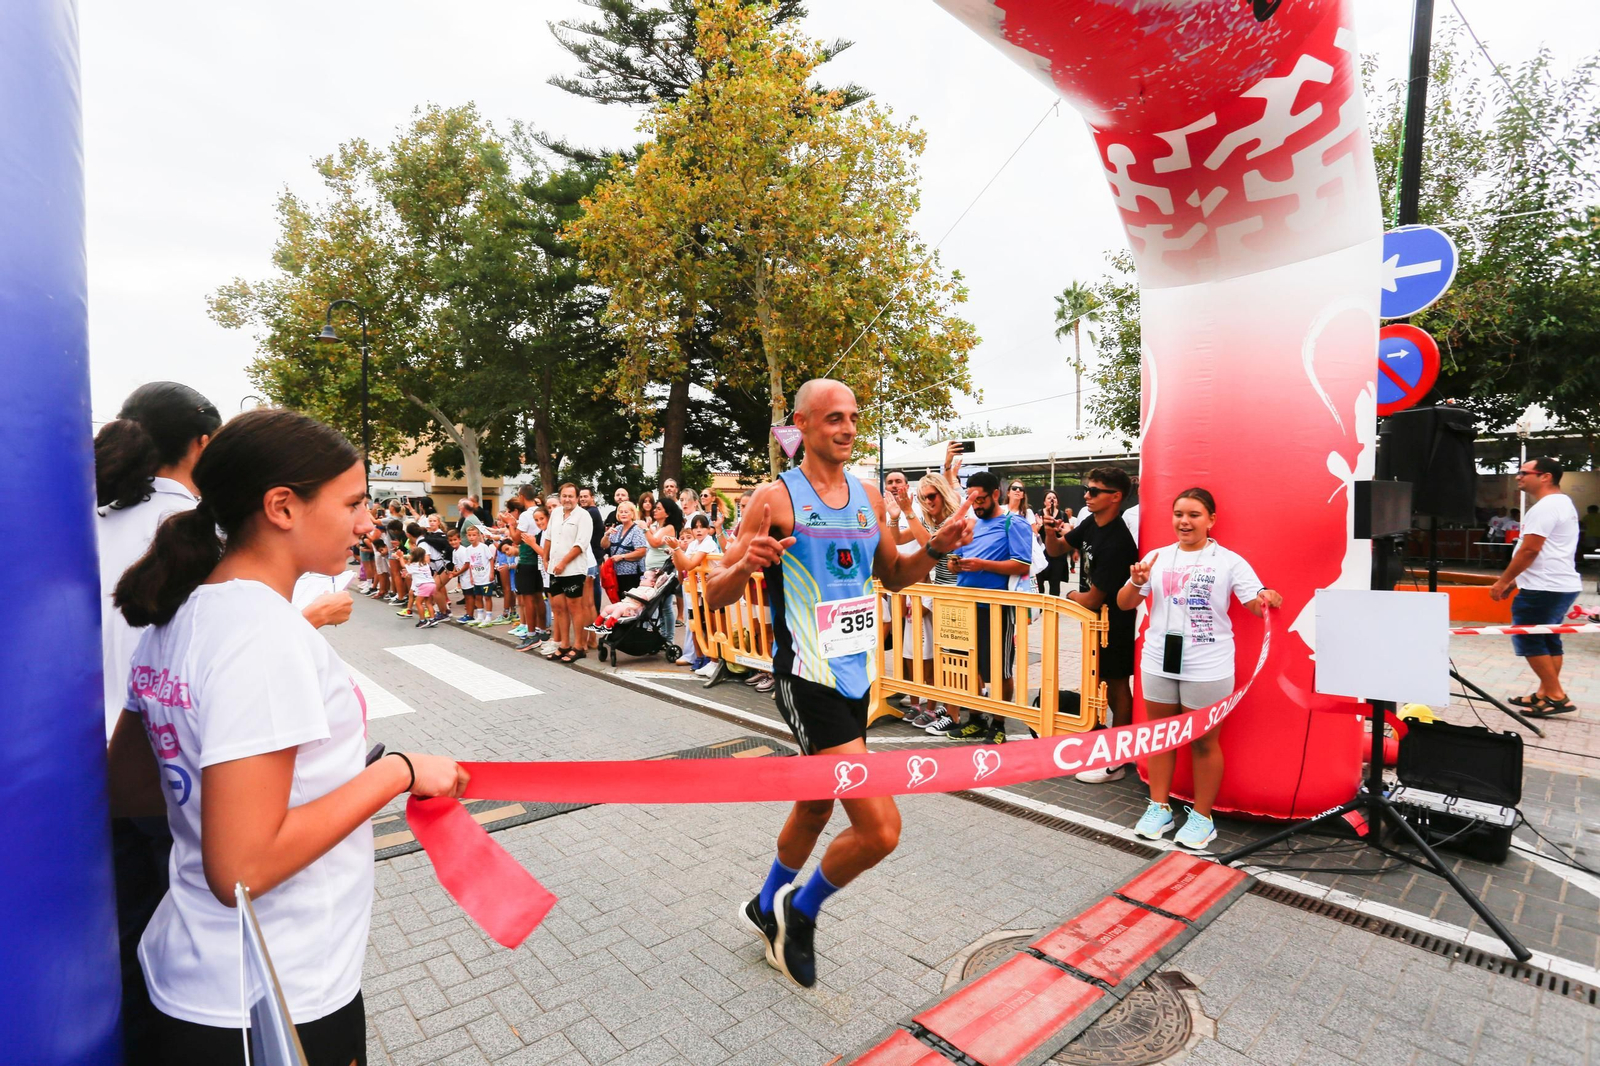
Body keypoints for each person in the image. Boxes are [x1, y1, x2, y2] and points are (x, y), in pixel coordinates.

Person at [104, 408, 468, 1065]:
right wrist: (397, 772)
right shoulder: (265, 637)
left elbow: (128, 785)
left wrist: (240, 805)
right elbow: (241, 869)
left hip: (194, 978)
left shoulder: (177, 613)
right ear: (282, 506)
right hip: (273, 997)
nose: (368, 522)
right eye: (354, 502)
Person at [706, 378, 972, 989]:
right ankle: (800, 911)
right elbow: (716, 590)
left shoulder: (869, 495)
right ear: (801, 424)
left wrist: (936, 545)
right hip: (807, 677)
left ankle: (764, 900)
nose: (848, 428)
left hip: (856, 675)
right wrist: (745, 564)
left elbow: (898, 575)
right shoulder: (775, 500)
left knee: (818, 798)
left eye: (853, 417)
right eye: (833, 419)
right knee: (881, 828)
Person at [93, 381, 223, 1062]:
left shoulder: (84, 521)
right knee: (182, 929)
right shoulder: (195, 533)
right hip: (169, 764)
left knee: (117, 928)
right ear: (201, 444)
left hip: (85, 762)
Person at [1117, 488, 1281, 848]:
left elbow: (1255, 602)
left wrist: (1267, 598)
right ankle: (1159, 807)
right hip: (1157, 660)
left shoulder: (1228, 561)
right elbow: (1125, 602)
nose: (1184, 522)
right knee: (1161, 737)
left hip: (1208, 665)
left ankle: (1202, 818)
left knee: (1204, 743)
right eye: (1178, 514)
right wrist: (1136, 582)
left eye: (1193, 515)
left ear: (1211, 520)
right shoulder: (1157, 557)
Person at [1048, 466, 1140, 783]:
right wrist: (1049, 527)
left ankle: (1119, 753)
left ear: (1115, 497)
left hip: (1115, 620)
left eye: (1094, 490)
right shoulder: (1091, 522)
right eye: (1087, 488)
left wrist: (1069, 593)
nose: (1086, 494)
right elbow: (1056, 549)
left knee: (1115, 684)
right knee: (1097, 680)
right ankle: (1099, 740)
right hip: (1094, 621)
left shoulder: (1118, 542)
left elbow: (1091, 599)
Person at [931, 471, 1032, 744]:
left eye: (981, 499)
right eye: (971, 499)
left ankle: (998, 725)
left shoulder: (1014, 523)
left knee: (1000, 670)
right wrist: (955, 563)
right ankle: (974, 719)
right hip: (965, 607)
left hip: (997, 608)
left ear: (996, 494)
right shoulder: (970, 524)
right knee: (966, 667)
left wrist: (983, 565)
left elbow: (1022, 564)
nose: (976, 504)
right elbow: (958, 557)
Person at [1491, 457, 1583, 716]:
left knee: (1530, 639)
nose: (1519, 477)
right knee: (1548, 640)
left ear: (1546, 477)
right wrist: (1519, 580)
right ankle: (1545, 692)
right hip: (1558, 583)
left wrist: (1504, 580)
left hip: (1545, 587)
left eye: (1524, 472)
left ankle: (1556, 695)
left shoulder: (1545, 507)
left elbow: (1530, 550)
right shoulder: (1562, 503)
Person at [897, 473, 961, 728]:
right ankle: (946, 709)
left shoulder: (952, 519)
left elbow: (932, 546)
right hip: (940, 592)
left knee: (952, 656)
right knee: (944, 653)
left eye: (931, 496)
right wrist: (893, 517)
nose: (927, 501)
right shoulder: (930, 520)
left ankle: (953, 713)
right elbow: (897, 539)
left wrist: (909, 512)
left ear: (943, 494)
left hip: (957, 593)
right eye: (923, 498)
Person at [545, 484, 595, 663]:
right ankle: (564, 644)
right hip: (554, 569)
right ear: (560, 497)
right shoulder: (556, 513)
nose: (567, 499)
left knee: (575, 608)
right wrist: (545, 559)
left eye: (571, 496)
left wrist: (563, 562)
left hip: (573, 569)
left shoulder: (584, 516)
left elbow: (580, 545)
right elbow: (549, 538)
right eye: (564, 496)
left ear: (576, 498)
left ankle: (579, 646)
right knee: (558, 607)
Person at [579, 487, 607, 640]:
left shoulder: (591, 512)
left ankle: (595, 624)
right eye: (581, 496)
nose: (582, 499)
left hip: (593, 556)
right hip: (593, 555)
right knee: (592, 592)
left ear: (592, 497)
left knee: (592, 595)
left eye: (585, 496)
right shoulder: (589, 511)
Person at [607, 502, 650, 599]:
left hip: (632, 574)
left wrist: (622, 556)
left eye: (626, 512)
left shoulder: (637, 530)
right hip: (617, 573)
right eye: (621, 512)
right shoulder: (617, 529)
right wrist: (606, 535)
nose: (623, 514)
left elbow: (642, 551)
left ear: (632, 514)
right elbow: (604, 545)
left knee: (631, 602)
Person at [1037, 490, 1072, 596]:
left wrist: (1058, 529)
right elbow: (1033, 533)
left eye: (1054, 498)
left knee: (1055, 584)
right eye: (1049, 498)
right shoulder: (1039, 514)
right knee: (1039, 584)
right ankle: (1040, 610)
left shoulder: (1062, 515)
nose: (1052, 499)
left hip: (1058, 555)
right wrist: (1040, 525)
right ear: (1044, 502)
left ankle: (1052, 611)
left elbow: (1068, 533)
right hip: (1041, 554)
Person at [405, 547, 440, 628]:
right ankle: (432, 619)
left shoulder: (414, 565)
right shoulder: (425, 564)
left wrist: (400, 557)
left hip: (424, 585)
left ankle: (422, 620)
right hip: (432, 584)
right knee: (428, 603)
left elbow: (404, 565)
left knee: (418, 603)